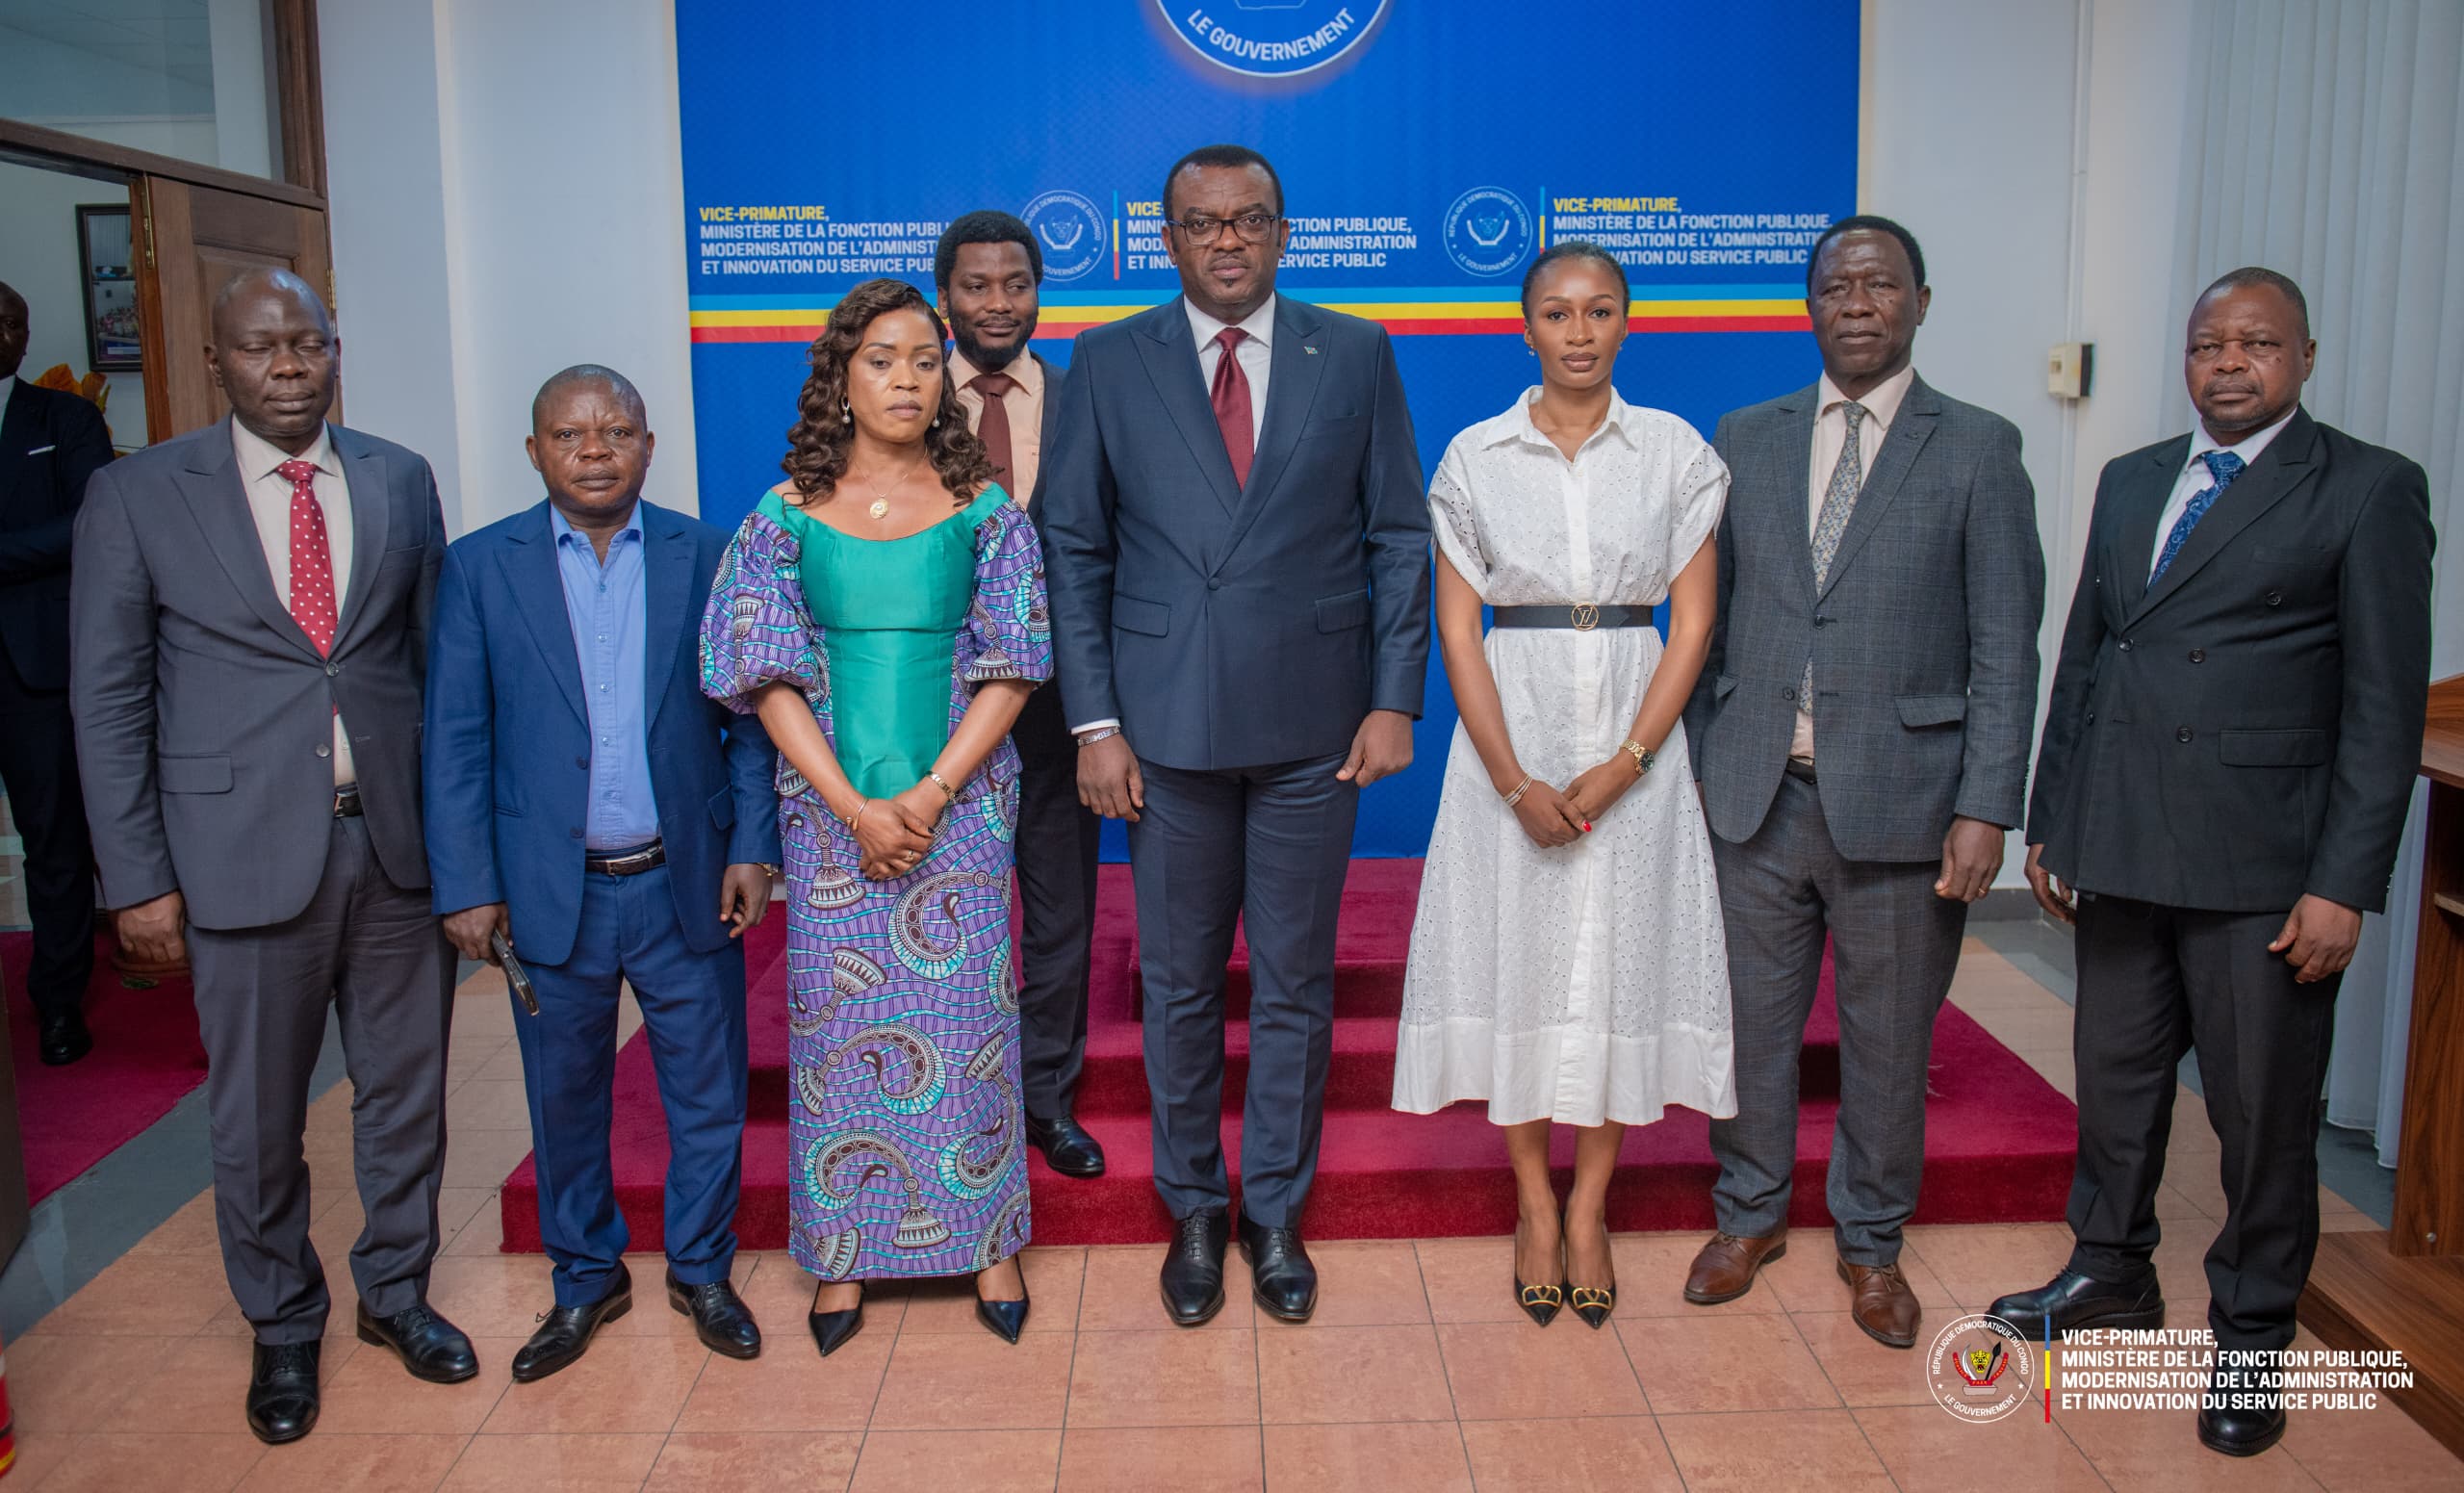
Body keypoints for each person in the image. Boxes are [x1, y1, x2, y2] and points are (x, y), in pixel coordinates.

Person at [1989, 268, 2433, 1458]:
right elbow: (2085, 655)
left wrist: (2344, 883)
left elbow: (2385, 712)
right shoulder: (2134, 479)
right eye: (2206, 345)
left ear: (2304, 356)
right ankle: (2108, 1273)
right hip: (2122, 847)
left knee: (2260, 1118)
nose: (2227, 364)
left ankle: (2249, 1333)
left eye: (2256, 345)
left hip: (2266, 873)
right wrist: (2052, 821)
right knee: (2119, 1094)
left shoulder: (2367, 489)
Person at [70, 268, 472, 1444]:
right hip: (234, 852)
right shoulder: (138, 495)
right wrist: (136, 877)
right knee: (255, 1115)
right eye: (261, 348)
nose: (289, 366)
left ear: (336, 350)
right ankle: (283, 1321)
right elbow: (106, 702)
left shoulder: (400, 477)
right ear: (218, 363)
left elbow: (434, 670)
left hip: (396, 850)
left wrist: (464, 850)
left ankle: (395, 1294)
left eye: (309, 343)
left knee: (407, 1098)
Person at [1041, 143, 1432, 1326]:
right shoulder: (1106, 360)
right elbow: (1074, 548)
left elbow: (1397, 537)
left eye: (1249, 220)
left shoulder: (1353, 351)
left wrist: (1395, 696)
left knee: (1297, 986)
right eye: (1201, 223)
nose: (1226, 240)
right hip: (1159, 734)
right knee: (1176, 986)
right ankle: (1195, 1212)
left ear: (1281, 232)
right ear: (1166, 238)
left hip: (1320, 728)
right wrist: (1095, 721)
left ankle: (1274, 1213)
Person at [1678, 216, 2044, 1348]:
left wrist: (1986, 805)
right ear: (1808, 305)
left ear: (1920, 304)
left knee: (1888, 1041)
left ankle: (1870, 1242)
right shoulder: (1747, 435)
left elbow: (2004, 646)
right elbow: (1706, 619)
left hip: (1906, 802)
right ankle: (1747, 1217)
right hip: (1757, 793)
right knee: (1750, 1028)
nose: (1855, 302)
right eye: (1835, 285)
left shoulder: (1978, 446)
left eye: (1880, 285)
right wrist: (1700, 759)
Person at [701, 276, 1048, 1355]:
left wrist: (933, 792)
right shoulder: (782, 515)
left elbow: (1017, 663)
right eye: (880, 359)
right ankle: (845, 1256)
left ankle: (985, 1240)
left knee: (968, 1035)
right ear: (840, 379)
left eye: (922, 358)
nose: (906, 378)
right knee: (839, 1039)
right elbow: (764, 675)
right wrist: (853, 807)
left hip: (963, 810)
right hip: (829, 821)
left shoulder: (984, 507)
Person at [1393, 242, 1735, 1330]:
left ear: (1628, 322)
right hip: (1515, 720)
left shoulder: (1675, 453)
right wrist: (1512, 779)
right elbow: (1457, 629)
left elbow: (1695, 623)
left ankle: (1592, 1206)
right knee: (1524, 958)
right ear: (1525, 325)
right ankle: (1532, 1203)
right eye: (1556, 313)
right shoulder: (1473, 457)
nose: (1578, 332)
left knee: (1616, 963)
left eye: (1599, 312)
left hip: (1638, 726)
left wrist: (1627, 759)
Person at [424, 365, 780, 1381]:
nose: (594, 450)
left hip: (687, 878)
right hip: (550, 888)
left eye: (616, 431)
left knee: (705, 1095)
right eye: (570, 434)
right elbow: (454, 736)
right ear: (534, 451)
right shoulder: (480, 569)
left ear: (649, 446)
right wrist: (465, 885)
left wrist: (754, 846)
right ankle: (585, 1279)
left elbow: (751, 721)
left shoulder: (707, 555)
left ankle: (703, 1268)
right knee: (565, 1100)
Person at [933, 211, 1105, 1179]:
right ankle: (954, 1095)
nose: (998, 304)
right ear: (945, 297)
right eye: (976, 287)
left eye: (1015, 285)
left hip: (1060, 713)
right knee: (947, 917)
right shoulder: (902, 401)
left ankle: (1048, 1101)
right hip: (934, 714)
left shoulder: (1092, 399)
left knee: (1060, 914)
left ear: (1039, 291)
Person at [0, 279, 112, 1065]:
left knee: (55, 840)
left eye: (14, 321)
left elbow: (88, 521)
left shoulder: (63, 417)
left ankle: (59, 999)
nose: (5, 331)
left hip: (32, 667)